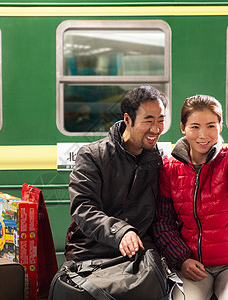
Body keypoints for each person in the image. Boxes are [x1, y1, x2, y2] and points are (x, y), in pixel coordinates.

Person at [153, 95, 228, 300]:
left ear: (220, 127)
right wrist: (181, 260)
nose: (203, 135)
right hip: (193, 265)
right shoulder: (168, 169)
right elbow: (163, 222)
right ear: (183, 127)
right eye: (195, 127)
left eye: (210, 126)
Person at [64, 85, 167, 261]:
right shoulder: (92, 155)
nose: (156, 129)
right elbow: (83, 209)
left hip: (139, 252)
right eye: (148, 120)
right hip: (91, 251)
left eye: (161, 120)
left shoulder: (159, 160)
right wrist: (121, 231)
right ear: (127, 119)